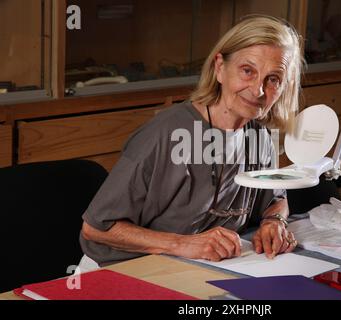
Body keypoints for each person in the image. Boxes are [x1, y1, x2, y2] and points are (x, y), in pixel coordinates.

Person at [79, 15, 303, 270]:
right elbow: (96, 227)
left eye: (273, 79)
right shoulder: (166, 134)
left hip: (192, 268)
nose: (258, 90)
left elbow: (275, 198)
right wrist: (182, 244)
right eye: (247, 71)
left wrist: (274, 221)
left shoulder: (260, 136)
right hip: (120, 269)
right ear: (220, 68)